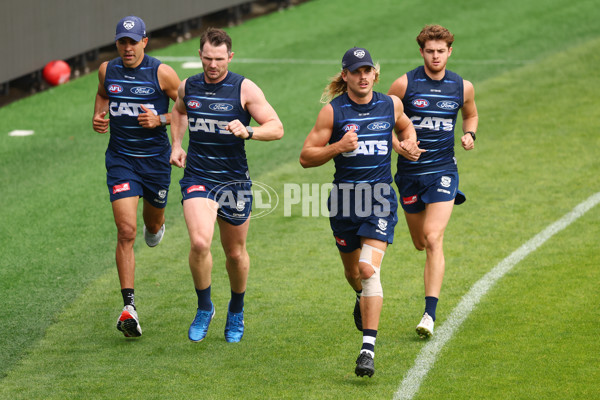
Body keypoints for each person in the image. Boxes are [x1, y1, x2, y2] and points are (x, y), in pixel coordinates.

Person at [299, 47, 422, 377]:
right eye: (356, 71)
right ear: (345, 76)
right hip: (343, 202)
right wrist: (338, 147)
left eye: (367, 70)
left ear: (374, 73)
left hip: (380, 198)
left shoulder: (390, 104)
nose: (363, 76)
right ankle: (360, 297)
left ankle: (367, 349)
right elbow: (306, 156)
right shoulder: (332, 113)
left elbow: (406, 127)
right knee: (354, 274)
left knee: (368, 270)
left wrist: (408, 143)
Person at [169, 27, 283, 343]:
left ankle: (236, 309)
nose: (213, 65)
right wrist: (177, 145)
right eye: (208, 58)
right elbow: (177, 111)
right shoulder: (188, 87)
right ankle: (205, 308)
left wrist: (249, 131)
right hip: (198, 177)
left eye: (219, 59)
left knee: (234, 253)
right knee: (200, 243)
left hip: (233, 181)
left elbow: (276, 127)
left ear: (230, 57)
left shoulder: (244, 89)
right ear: (200, 56)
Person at [387, 24, 478, 339]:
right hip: (410, 175)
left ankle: (429, 314)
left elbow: (471, 114)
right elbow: (380, 119)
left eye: (441, 51)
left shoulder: (462, 86)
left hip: (443, 170)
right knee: (420, 242)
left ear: (450, 51)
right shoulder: (404, 84)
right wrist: (398, 145)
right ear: (421, 52)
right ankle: (440, 206)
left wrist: (469, 133)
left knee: (433, 237)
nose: (436, 56)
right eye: (430, 51)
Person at [92, 15, 181, 338]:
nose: (127, 48)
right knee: (125, 231)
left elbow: (187, 107)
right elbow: (103, 94)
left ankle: (155, 223)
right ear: (117, 44)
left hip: (155, 163)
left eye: (133, 42)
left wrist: (160, 118)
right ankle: (129, 306)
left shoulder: (162, 73)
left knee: (151, 227)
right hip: (121, 160)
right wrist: (98, 114)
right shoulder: (107, 70)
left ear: (145, 42)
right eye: (122, 42)